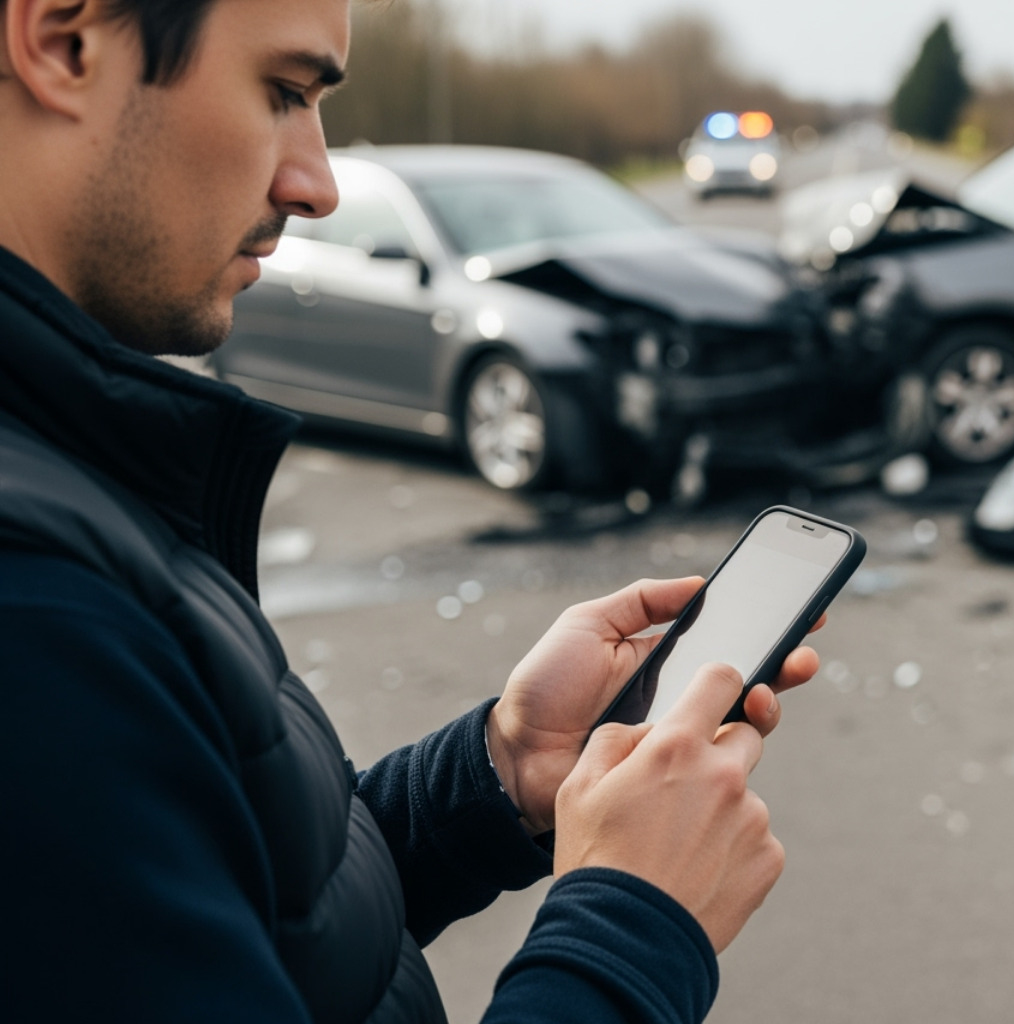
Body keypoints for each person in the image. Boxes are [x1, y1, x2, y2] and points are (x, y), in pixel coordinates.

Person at [0, 2, 822, 1021]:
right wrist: (632, 926)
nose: (317, 183)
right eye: (285, 93)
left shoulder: (68, 474)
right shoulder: (37, 616)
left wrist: (498, 772)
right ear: (62, 41)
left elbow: (270, 914)